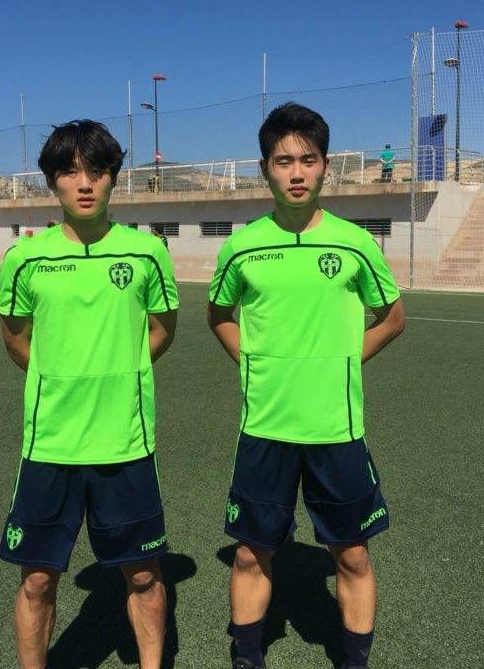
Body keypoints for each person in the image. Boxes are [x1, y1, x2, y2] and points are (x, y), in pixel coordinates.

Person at [208, 103, 405, 669]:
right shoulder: (241, 246)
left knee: (353, 557)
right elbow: (219, 313)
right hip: (264, 427)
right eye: (283, 161)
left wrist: (344, 362)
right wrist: (249, 363)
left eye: (308, 160)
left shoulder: (354, 244)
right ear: (264, 169)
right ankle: (247, 658)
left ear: (325, 167)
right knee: (250, 555)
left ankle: (354, 661)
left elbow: (391, 318)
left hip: (336, 430)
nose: (296, 172)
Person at [0, 120, 178, 669]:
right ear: (51, 180)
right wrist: (68, 375)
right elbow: (17, 341)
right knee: (37, 580)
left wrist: (114, 371)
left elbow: (163, 330)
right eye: (70, 171)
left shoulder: (147, 253)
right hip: (50, 444)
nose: (84, 183)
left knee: (144, 574)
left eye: (96, 171)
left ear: (112, 180)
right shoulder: (24, 258)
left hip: (125, 442)